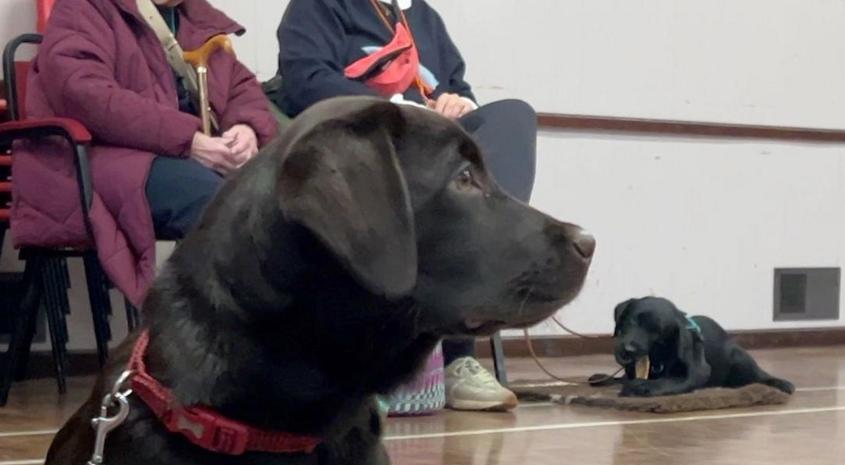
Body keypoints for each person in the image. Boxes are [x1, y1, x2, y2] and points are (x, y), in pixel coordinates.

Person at [277, 0, 538, 412]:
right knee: (450, 201)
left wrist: (458, 103)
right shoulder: (320, 5)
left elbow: (456, 87)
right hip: (372, 155)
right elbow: (304, 80)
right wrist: (396, 106)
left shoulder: (424, 17)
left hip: (439, 163)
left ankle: (457, 357)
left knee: (513, 116)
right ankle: (389, 356)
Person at [12, 0, 277, 305]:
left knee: (272, 196)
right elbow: (84, 93)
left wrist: (246, 129)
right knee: (216, 201)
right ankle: (220, 334)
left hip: (172, 155)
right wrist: (187, 140)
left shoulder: (193, 15)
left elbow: (240, 84)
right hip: (88, 158)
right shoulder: (83, 7)